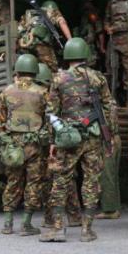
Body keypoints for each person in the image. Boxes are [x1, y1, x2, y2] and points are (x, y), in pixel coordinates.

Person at [40, 38, 113, 243]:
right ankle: (86, 230)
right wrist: (111, 136)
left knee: (61, 180)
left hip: (68, 138)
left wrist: (54, 139)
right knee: (91, 181)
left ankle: (57, 228)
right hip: (93, 137)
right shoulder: (98, 78)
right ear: (85, 55)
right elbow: (109, 108)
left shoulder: (58, 79)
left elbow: (51, 113)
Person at [0, 54, 47, 236]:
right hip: (34, 145)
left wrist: (6, 139)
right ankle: (26, 224)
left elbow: (1, 120)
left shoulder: (6, 91)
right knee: (34, 182)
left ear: (17, 69)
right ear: (35, 69)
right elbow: (48, 118)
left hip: (13, 146)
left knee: (12, 182)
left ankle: (7, 224)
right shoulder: (42, 92)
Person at [35, 63, 82, 229]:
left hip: (45, 142)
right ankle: (75, 216)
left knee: (50, 180)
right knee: (68, 178)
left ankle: (49, 219)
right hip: (58, 139)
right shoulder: (54, 94)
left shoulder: (39, 94)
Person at [18, 0, 72, 72]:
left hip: (25, 46)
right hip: (41, 45)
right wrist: (71, 40)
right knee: (51, 70)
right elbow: (62, 22)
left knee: (31, 70)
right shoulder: (51, 11)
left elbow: (18, 31)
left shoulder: (30, 14)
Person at [74, 0, 105, 68]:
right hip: (81, 43)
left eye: (88, 3)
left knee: (91, 63)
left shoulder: (94, 15)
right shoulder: (82, 15)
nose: (86, 5)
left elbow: (100, 32)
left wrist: (101, 46)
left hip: (90, 44)